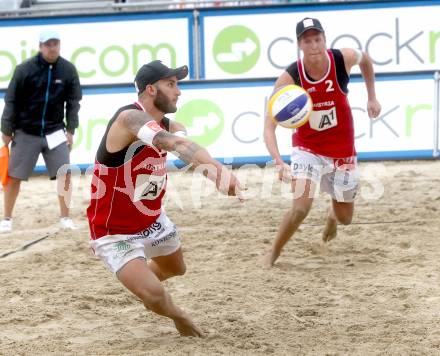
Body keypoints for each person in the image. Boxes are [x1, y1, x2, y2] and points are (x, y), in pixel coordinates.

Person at [87, 60, 244, 337]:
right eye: (171, 84)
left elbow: (182, 142)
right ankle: (178, 316)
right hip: (114, 232)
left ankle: (141, 280)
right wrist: (217, 172)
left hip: (152, 219)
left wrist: (205, 166)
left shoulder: (170, 124)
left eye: (177, 84)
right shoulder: (128, 118)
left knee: (177, 268)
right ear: (150, 89)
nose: (178, 91)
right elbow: (175, 143)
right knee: (157, 297)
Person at [263, 17, 382, 267]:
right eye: (308, 41)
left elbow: (367, 60)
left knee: (345, 217)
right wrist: (278, 161)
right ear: (299, 45)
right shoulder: (290, 76)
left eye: (318, 39)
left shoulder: (342, 58)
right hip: (308, 149)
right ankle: (273, 251)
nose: (314, 45)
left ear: (325, 40)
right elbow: (268, 126)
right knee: (300, 207)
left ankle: (332, 215)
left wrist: (372, 97)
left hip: (342, 150)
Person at [0, 29, 82, 233]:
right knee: (13, 176)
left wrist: (71, 129)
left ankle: (65, 218)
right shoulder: (24, 70)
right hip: (26, 131)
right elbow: (11, 101)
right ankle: (7, 219)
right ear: (40, 46)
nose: (52, 47)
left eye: (55, 43)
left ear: (59, 45)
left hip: (55, 131)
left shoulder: (68, 70)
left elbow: (73, 103)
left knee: (65, 174)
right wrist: (6, 129)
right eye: (48, 44)